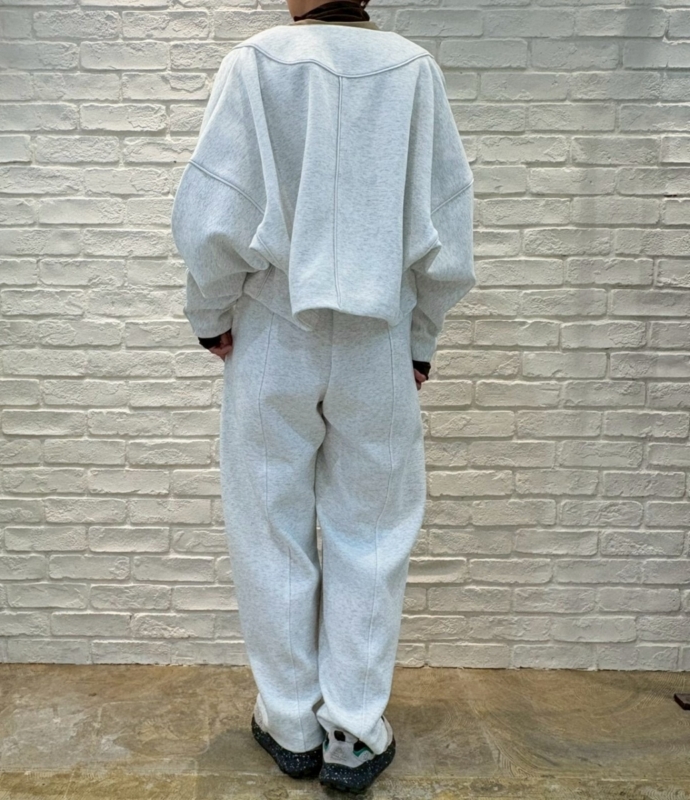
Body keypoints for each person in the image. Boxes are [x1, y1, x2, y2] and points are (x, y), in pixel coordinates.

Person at [170, 0, 476, 791]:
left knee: (269, 528)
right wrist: (421, 338)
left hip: (273, 328)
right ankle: (354, 731)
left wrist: (210, 314)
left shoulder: (256, 62)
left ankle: (291, 722)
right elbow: (446, 223)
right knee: (371, 533)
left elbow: (215, 210)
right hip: (378, 337)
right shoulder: (413, 69)